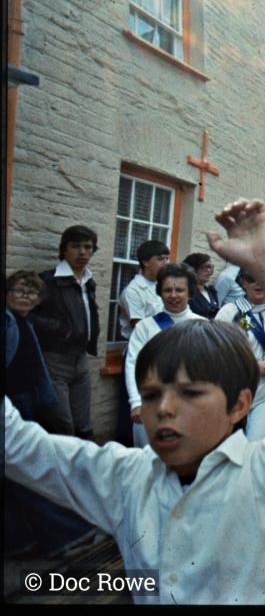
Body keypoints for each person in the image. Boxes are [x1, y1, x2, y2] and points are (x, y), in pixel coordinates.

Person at [4, 198, 265, 604]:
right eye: (152, 394)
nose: (165, 409)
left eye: (190, 393)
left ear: (239, 405)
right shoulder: (127, 476)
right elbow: (20, 446)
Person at [5, 271, 95, 559]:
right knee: (22, 470)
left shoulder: (25, 322)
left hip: (25, 401)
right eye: (19, 291)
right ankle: (66, 533)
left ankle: (20, 540)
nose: (26, 297)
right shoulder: (7, 321)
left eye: (32, 293)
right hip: (12, 404)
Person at [31, 225, 101, 438]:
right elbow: (27, 315)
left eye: (88, 247)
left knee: (83, 422)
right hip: (55, 358)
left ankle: (82, 469)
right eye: (76, 246)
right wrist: (62, 330)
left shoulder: (89, 281)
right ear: (64, 249)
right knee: (61, 423)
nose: (83, 252)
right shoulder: (48, 280)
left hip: (80, 358)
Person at [124, 264, 205, 447]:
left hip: (189, 405)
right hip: (151, 404)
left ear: (190, 293)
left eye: (179, 290)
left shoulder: (203, 326)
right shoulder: (145, 327)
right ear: (160, 293)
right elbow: (133, 364)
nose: (173, 295)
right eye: (168, 290)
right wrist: (136, 401)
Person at [216, 269, 265, 440]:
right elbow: (215, 352)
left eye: (263, 277)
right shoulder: (229, 312)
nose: (258, 283)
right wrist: (249, 365)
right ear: (243, 282)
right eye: (251, 278)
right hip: (235, 393)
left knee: (254, 443)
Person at [118, 240, 170, 338]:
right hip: (143, 347)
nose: (166, 263)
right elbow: (140, 327)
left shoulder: (164, 285)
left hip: (166, 342)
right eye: (160, 259)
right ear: (146, 262)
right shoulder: (133, 291)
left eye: (167, 258)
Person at [182, 253, 221, 319]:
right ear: (193, 269)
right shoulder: (187, 293)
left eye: (211, 267)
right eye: (206, 267)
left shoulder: (211, 291)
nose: (209, 271)